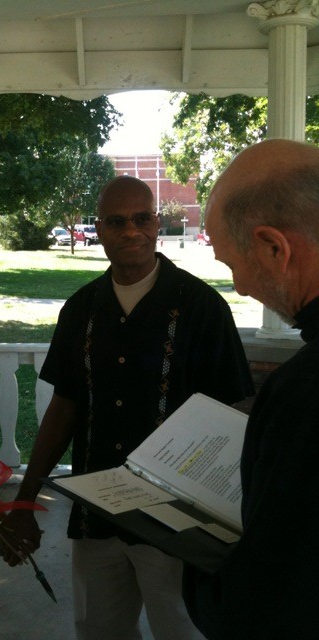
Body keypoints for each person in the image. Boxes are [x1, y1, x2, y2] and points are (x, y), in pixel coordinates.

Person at [0, 175, 254, 640]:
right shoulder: (81, 310)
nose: (131, 231)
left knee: (182, 630)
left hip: (176, 522)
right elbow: (64, 407)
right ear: (99, 229)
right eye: (116, 222)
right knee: (98, 629)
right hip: (96, 514)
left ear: (157, 223)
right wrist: (24, 500)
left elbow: (231, 413)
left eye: (141, 218)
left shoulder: (201, 307)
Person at [182, 138, 319, 639]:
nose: (239, 285)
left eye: (231, 264)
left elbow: (263, 610)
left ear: (273, 247)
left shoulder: (304, 394)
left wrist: (197, 565)